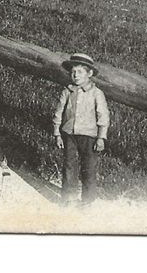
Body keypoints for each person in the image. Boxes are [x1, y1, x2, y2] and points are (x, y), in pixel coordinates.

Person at [52, 53, 110, 205]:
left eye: (80, 72)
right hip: (69, 133)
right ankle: (68, 199)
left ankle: (88, 201)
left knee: (89, 168)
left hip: (89, 135)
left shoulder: (97, 93)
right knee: (69, 166)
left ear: (89, 74)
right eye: (73, 72)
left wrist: (101, 137)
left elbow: (103, 115)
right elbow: (59, 112)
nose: (75, 75)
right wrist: (57, 133)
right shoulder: (67, 91)